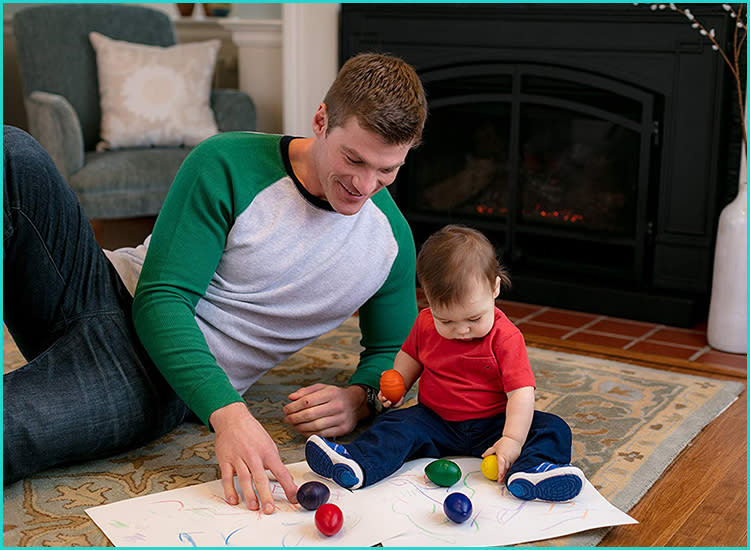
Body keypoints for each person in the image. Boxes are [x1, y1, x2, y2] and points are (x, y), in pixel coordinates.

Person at [3, 53, 427, 514]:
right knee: (12, 152)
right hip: (100, 287)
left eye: (387, 170)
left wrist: (359, 399)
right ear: (321, 120)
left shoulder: (390, 243)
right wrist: (229, 415)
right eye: (354, 159)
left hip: (154, 378)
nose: (366, 185)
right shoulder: (227, 162)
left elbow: (396, 350)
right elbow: (161, 297)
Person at [305, 224, 585, 502]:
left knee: (553, 429)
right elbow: (411, 356)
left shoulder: (506, 337)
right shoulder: (425, 323)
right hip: (434, 420)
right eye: (447, 321)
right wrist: (398, 383)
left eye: (474, 319)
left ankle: (532, 471)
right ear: (428, 300)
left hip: (494, 424)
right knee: (394, 425)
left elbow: (521, 394)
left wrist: (511, 440)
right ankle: (357, 463)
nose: (461, 330)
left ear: (495, 288)